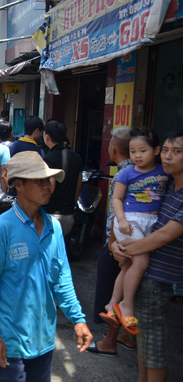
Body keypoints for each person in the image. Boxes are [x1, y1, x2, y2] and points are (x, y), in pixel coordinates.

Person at [0, 152, 93, 381]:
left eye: (47, 179)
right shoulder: (0, 229)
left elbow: (61, 278)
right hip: (10, 342)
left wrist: (78, 319)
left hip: (44, 339)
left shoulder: (54, 227)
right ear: (19, 185)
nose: (48, 185)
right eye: (39, 180)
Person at [111, 130, 183, 382]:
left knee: (154, 349)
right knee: (145, 344)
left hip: (158, 279)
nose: (168, 157)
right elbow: (124, 208)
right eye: (165, 150)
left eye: (177, 152)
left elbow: (164, 236)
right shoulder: (169, 186)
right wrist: (115, 246)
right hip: (146, 273)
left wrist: (126, 250)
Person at [101, 128, 169, 335]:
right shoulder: (126, 173)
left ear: (156, 150)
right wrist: (121, 220)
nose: (137, 156)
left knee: (128, 265)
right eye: (132, 151)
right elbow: (116, 199)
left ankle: (113, 304)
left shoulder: (164, 172)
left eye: (142, 151)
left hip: (151, 222)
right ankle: (126, 305)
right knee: (141, 261)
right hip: (130, 223)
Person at [87, 127, 135, 356]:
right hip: (135, 243)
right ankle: (126, 335)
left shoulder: (122, 176)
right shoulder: (140, 172)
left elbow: (118, 215)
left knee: (111, 294)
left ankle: (110, 340)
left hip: (118, 244)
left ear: (114, 149)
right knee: (127, 292)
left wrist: (111, 245)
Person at [42, 120, 83, 236]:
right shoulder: (77, 158)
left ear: (47, 137)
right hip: (69, 214)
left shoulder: (48, 159)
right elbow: (78, 186)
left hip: (51, 214)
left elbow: (50, 188)